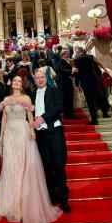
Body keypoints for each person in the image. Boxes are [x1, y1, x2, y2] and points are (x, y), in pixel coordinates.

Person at [0, 75, 61, 223]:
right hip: (9, 133)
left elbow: (30, 115)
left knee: (23, 165)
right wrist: (1, 135)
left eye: (19, 81)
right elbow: (4, 118)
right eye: (15, 81)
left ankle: (24, 202)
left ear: (21, 84)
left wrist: (31, 130)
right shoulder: (6, 98)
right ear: (12, 84)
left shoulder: (26, 98)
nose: (17, 83)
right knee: (10, 166)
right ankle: (9, 200)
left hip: (22, 132)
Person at [31, 70, 70, 213]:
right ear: (34, 80)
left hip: (55, 133)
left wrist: (42, 117)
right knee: (46, 166)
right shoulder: (32, 94)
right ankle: (52, 197)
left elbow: (58, 107)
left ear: (46, 78)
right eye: (37, 78)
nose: (40, 80)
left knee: (59, 166)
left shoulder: (55, 91)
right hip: (40, 135)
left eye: (42, 77)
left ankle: (64, 198)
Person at [74, 47, 111, 125]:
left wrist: (77, 85)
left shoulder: (77, 60)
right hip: (95, 80)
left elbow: (76, 73)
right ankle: (105, 113)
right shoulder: (90, 56)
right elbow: (98, 63)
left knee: (90, 101)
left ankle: (94, 120)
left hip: (85, 82)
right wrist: (105, 70)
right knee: (100, 96)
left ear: (77, 52)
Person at [56, 50, 78, 119]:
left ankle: (70, 114)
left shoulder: (65, 61)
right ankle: (68, 115)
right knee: (67, 98)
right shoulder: (61, 61)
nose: (68, 54)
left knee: (69, 98)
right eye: (67, 53)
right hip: (65, 83)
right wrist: (72, 70)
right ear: (63, 54)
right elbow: (62, 70)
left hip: (67, 82)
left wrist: (73, 71)